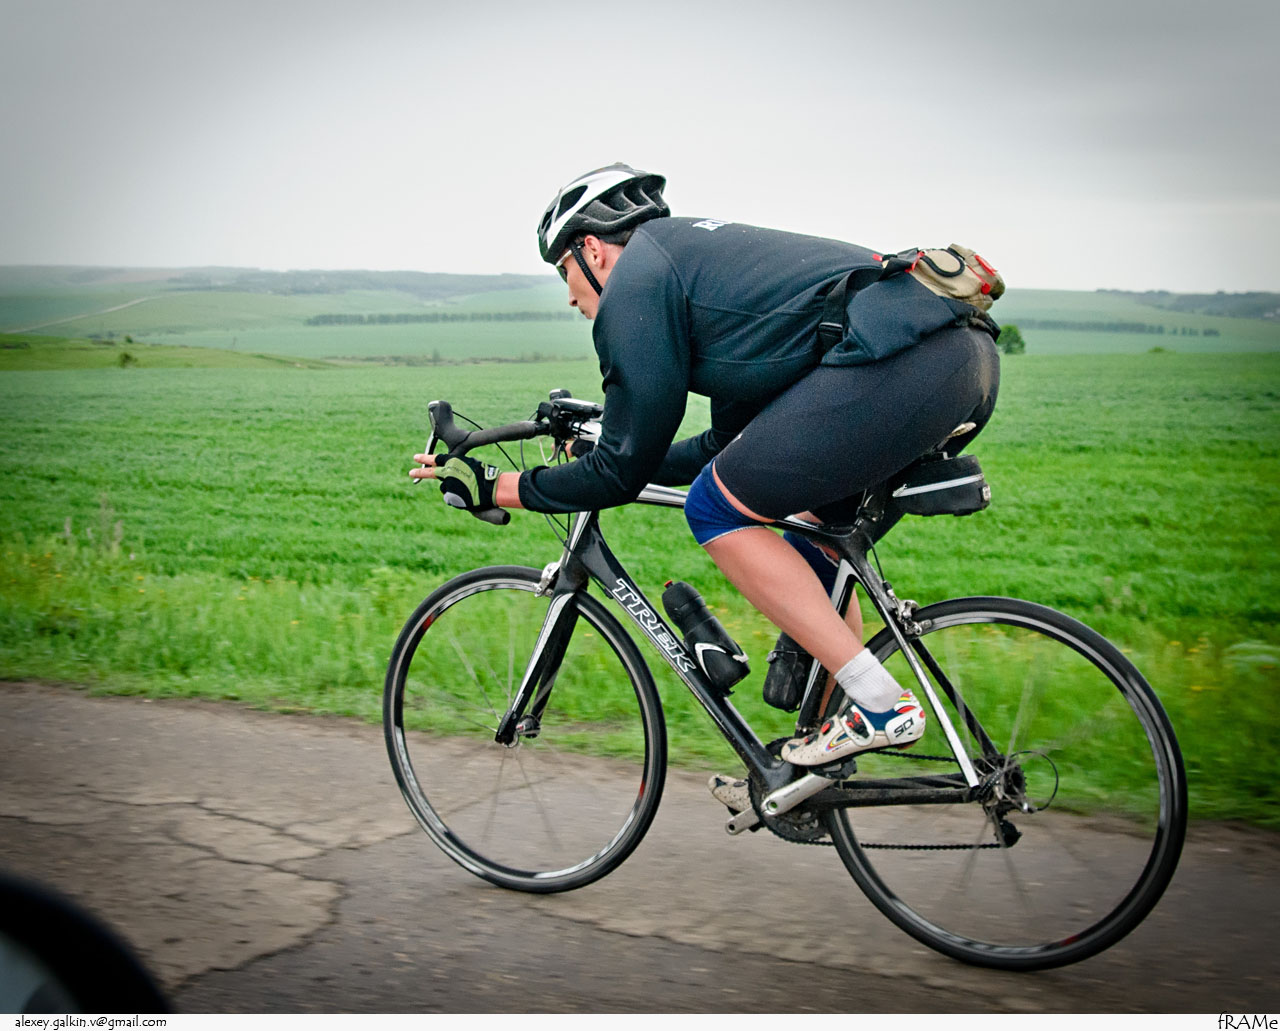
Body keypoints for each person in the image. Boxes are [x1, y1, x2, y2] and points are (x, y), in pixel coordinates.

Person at [412, 162, 1000, 814]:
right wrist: (603, 449)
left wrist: (496, 487)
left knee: (715, 509)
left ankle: (881, 704)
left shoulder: (637, 283)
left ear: (594, 250)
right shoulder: (698, 273)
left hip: (903, 364)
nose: (570, 297)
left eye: (563, 272)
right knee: (812, 530)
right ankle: (813, 765)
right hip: (958, 361)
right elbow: (715, 449)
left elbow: (621, 473)